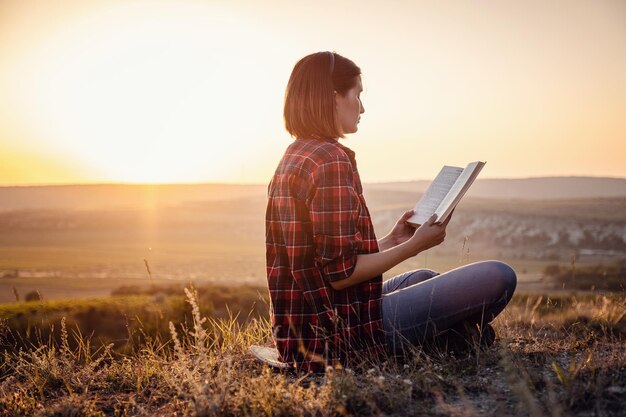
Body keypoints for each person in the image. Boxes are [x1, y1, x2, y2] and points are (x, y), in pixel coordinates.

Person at [265, 51, 516, 373]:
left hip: (302, 330)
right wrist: (414, 246)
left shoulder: (296, 154)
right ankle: (451, 339)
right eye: (358, 95)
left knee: (423, 277)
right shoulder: (330, 160)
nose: (363, 107)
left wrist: (394, 239)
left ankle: (451, 339)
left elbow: (325, 261)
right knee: (499, 275)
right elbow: (341, 276)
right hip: (335, 336)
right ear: (333, 98)